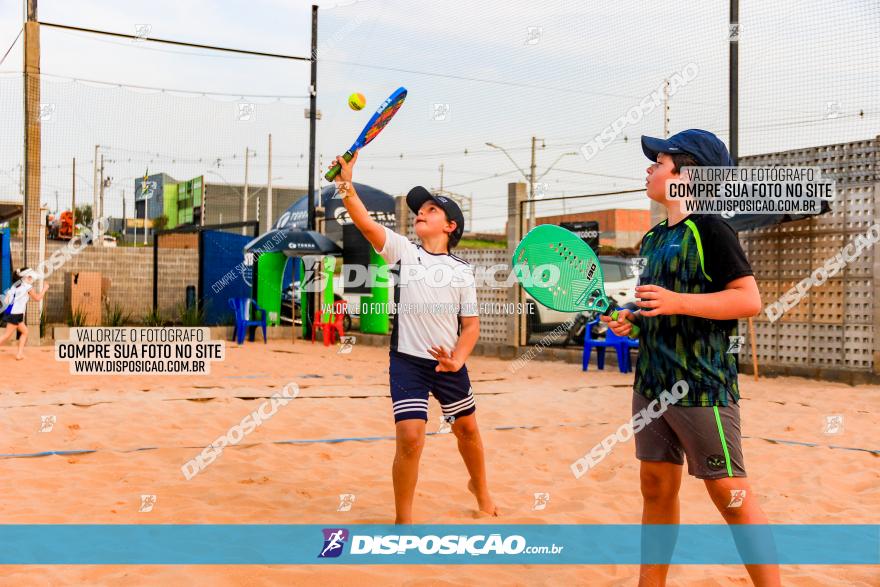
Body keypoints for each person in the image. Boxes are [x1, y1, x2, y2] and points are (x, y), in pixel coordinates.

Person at [602, 129, 780, 586]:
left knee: (731, 496)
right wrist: (633, 319)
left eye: (658, 162)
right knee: (656, 488)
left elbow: (748, 300)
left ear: (688, 175)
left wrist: (678, 302)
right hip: (651, 384)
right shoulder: (655, 237)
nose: (649, 169)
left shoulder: (712, 229)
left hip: (701, 387)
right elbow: (657, 304)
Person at [330, 151, 497, 523]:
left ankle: (480, 487)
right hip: (407, 361)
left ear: (450, 226)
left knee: (467, 430)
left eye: (432, 210)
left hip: (447, 362)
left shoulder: (461, 271)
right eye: (419, 209)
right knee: (410, 438)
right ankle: (403, 519)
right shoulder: (404, 252)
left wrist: (459, 358)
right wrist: (346, 183)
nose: (421, 212)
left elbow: (470, 327)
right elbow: (364, 222)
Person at [1, 268, 49, 360]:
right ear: (28, 276)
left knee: (25, 332)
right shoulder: (27, 287)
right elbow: (37, 298)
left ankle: (19, 354)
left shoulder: (16, 285)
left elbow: (7, 298)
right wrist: (44, 289)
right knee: (6, 335)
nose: (32, 278)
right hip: (15, 314)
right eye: (31, 276)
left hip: (14, 313)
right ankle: (19, 354)